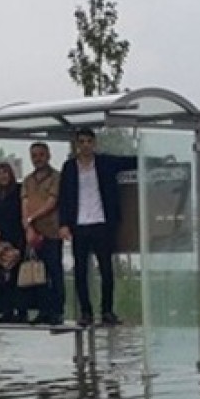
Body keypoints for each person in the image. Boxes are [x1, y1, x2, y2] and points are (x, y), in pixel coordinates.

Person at [57, 127, 138, 327]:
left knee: (106, 270)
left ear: (94, 144)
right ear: (76, 145)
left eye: (88, 141)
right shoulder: (69, 167)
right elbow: (64, 197)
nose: (85, 145)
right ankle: (86, 312)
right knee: (81, 271)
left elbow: (131, 162)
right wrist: (64, 224)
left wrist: (156, 157)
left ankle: (107, 311)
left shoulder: (105, 163)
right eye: (81, 142)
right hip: (80, 225)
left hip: (102, 224)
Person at [22, 141, 64, 325]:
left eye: (41, 154)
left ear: (48, 155)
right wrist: (28, 227)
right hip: (34, 235)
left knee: (55, 272)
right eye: (34, 155)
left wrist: (32, 218)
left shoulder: (56, 177)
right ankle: (43, 310)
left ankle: (57, 311)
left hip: (52, 232)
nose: (37, 159)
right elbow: (24, 204)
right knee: (38, 274)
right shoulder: (28, 180)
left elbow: (51, 203)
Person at [0, 161, 26, 323]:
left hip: (17, 237)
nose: (3, 176)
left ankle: (22, 311)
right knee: (2, 277)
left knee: (18, 276)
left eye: (5, 172)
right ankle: (6, 311)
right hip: (0, 241)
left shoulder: (18, 190)